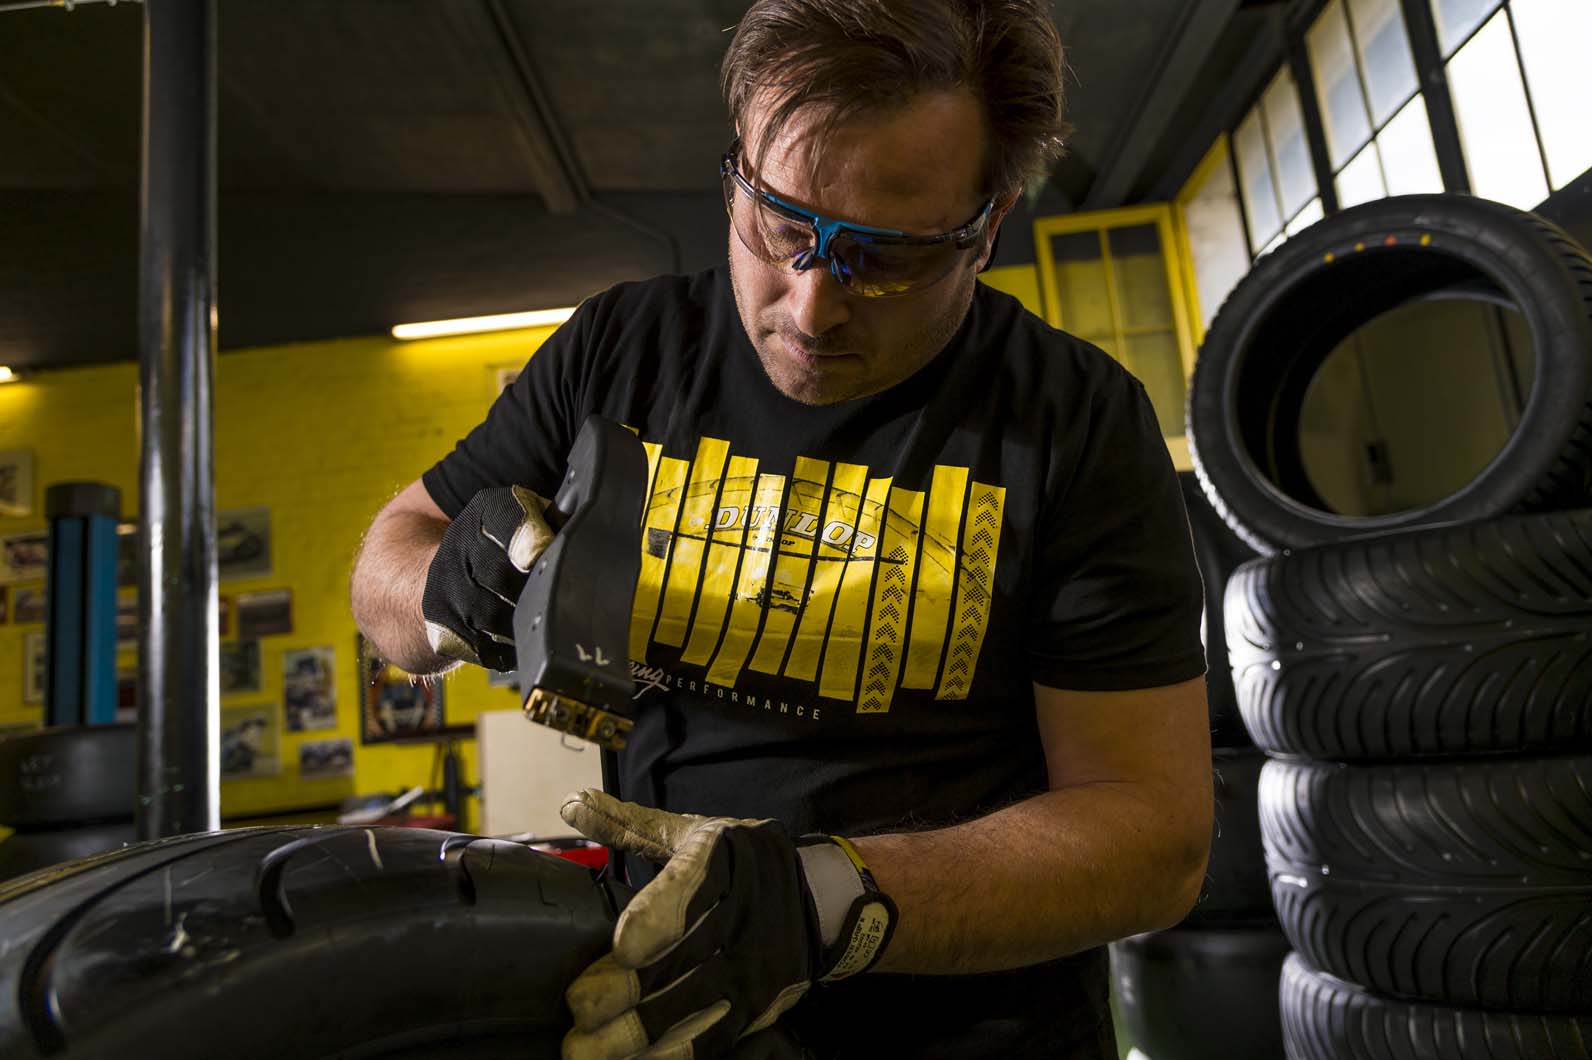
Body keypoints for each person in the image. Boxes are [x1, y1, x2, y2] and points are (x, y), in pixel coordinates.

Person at [350, 1, 1213, 1056]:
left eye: (884, 255)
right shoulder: (619, 351)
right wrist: (448, 584)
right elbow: (389, 563)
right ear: (735, 173)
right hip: (664, 1015)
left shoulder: (1073, 424)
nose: (811, 307)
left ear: (984, 230)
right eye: (782, 226)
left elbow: (1151, 840)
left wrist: (826, 900)